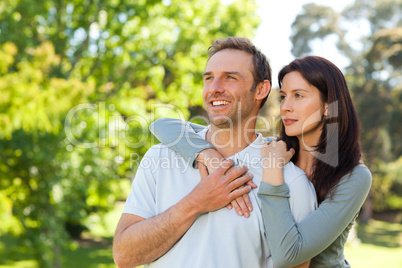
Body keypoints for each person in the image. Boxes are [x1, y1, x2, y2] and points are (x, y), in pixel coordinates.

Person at [113, 37, 317, 268]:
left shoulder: (291, 182)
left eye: (230, 77)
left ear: (261, 89)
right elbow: (124, 256)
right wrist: (196, 202)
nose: (214, 88)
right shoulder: (159, 158)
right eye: (209, 78)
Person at [150, 56, 372, 267]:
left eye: (299, 95)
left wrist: (273, 170)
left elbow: (288, 255)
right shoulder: (272, 148)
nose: (285, 107)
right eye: (283, 96)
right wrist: (208, 154)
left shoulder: (353, 177)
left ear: (328, 106)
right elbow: (162, 126)